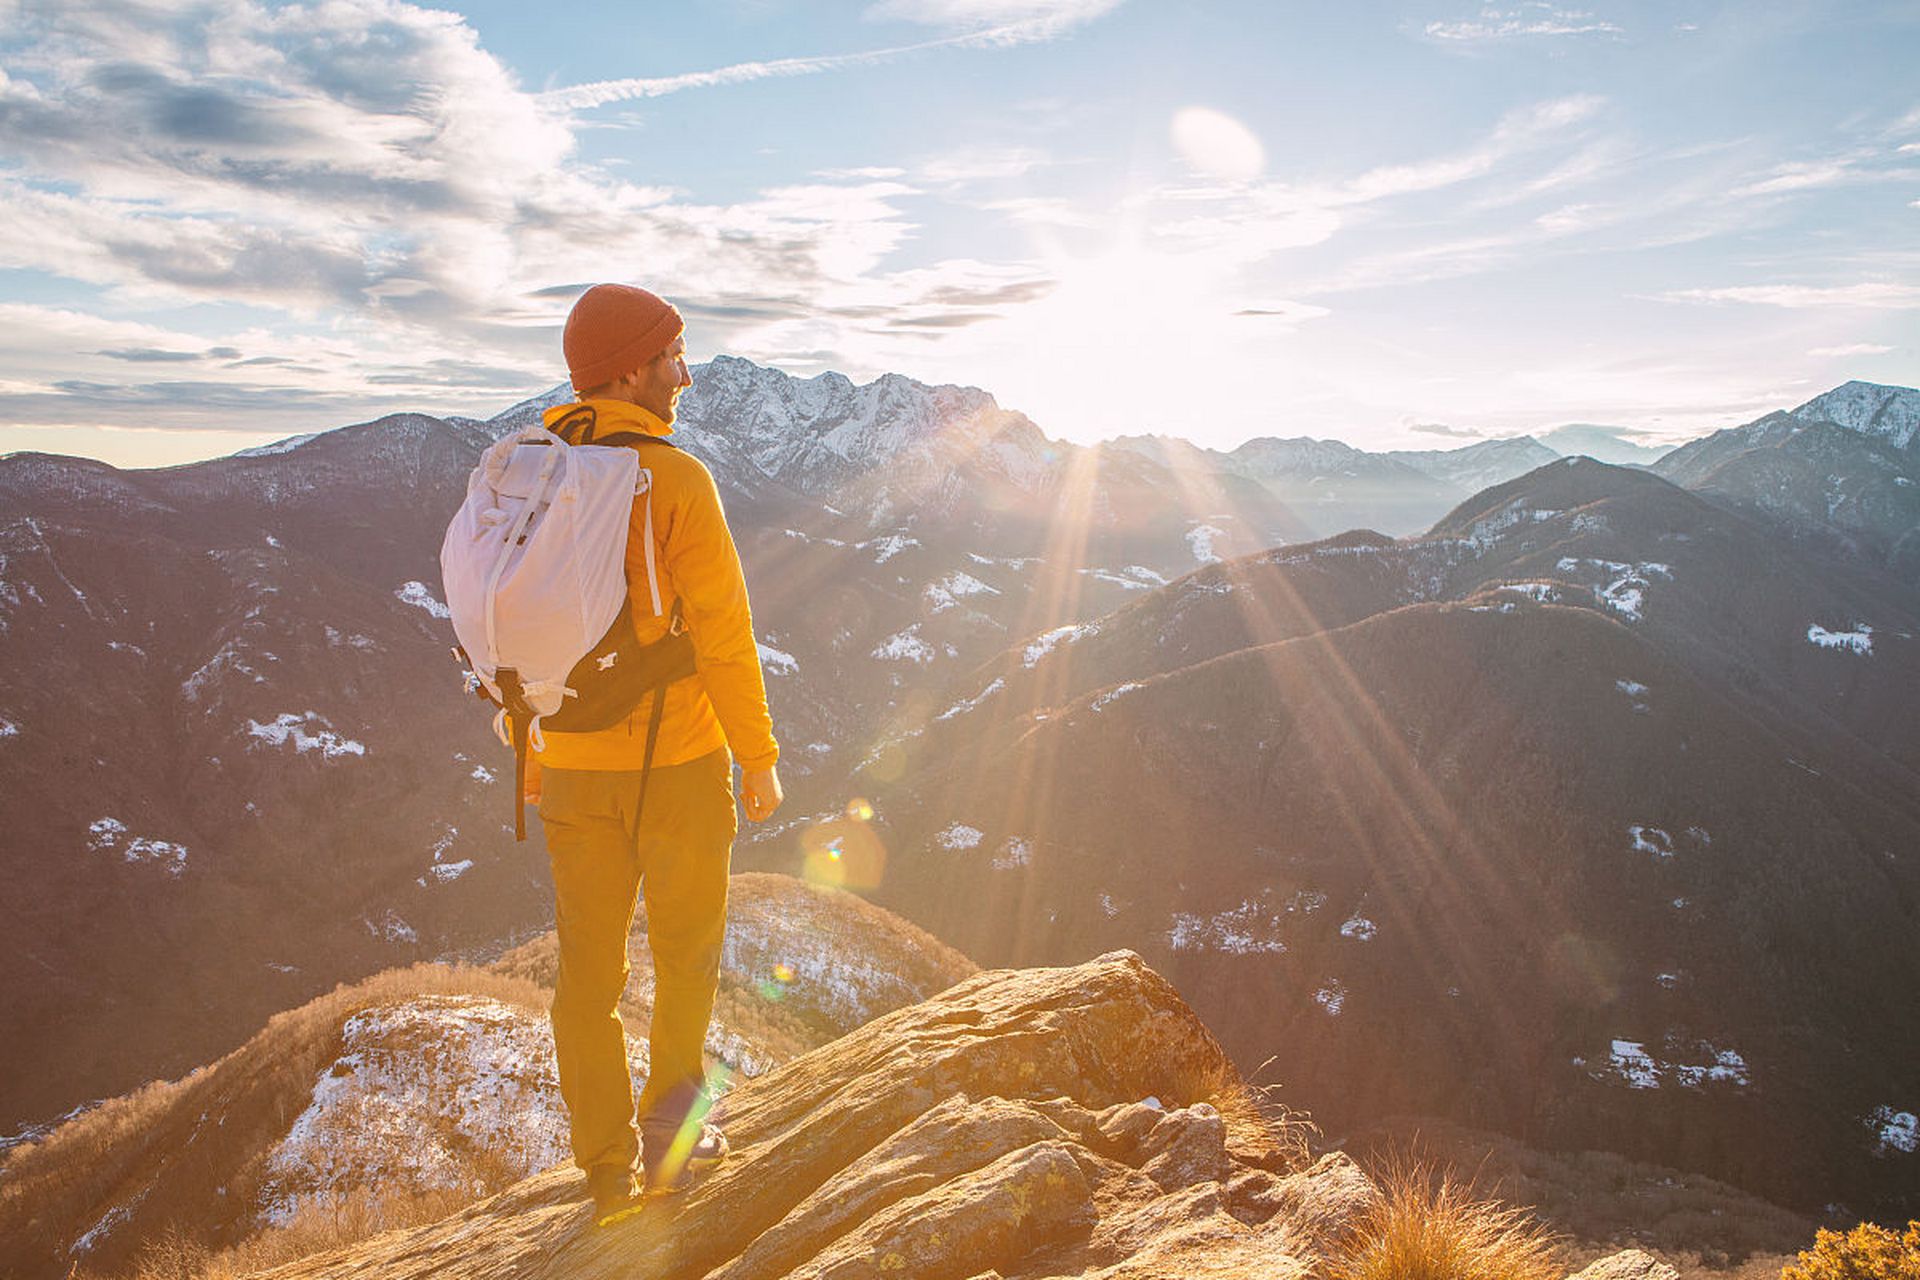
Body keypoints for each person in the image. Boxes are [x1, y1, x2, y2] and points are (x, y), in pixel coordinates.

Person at [523, 282, 784, 1227]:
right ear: (631, 367)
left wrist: (535, 750)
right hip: (677, 765)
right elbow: (723, 632)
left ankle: (605, 1176)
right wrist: (756, 753)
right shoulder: (674, 481)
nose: (685, 372)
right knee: (687, 954)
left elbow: (508, 641)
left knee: (587, 981)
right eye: (674, 354)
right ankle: (674, 1141)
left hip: (567, 769)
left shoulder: (535, 471)